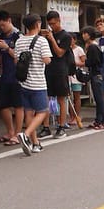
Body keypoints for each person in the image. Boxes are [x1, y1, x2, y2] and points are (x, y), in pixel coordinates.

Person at [15, 13, 53, 155]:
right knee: (43, 111)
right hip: (38, 83)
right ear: (38, 24)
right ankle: (26, 134)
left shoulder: (19, 41)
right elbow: (47, 59)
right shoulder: (41, 41)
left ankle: (35, 143)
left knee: (29, 112)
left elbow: (16, 61)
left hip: (24, 83)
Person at [0, 10, 24, 145]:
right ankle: (10, 131)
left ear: (9, 21)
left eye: (3, 25)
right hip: (5, 75)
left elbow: (20, 56)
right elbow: (0, 57)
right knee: (3, 105)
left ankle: (18, 134)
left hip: (17, 75)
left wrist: (7, 48)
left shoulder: (19, 36)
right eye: (0, 26)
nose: (2, 28)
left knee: (18, 105)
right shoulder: (1, 36)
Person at [41, 11, 73, 139]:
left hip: (61, 70)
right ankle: (46, 127)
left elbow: (60, 53)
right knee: (47, 98)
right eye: (49, 24)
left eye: (53, 24)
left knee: (61, 99)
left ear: (59, 21)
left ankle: (61, 126)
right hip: (48, 69)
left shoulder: (66, 36)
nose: (51, 27)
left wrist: (52, 39)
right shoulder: (48, 35)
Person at [82, 25, 104, 130]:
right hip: (97, 74)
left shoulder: (92, 47)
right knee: (98, 99)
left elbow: (94, 61)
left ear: (89, 35)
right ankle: (98, 120)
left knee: (100, 99)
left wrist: (86, 61)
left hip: (96, 75)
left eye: (85, 33)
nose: (83, 35)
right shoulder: (94, 45)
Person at [67, 33, 86, 128]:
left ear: (74, 40)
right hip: (67, 75)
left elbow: (84, 62)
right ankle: (71, 116)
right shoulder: (66, 49)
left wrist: (74, 63)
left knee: (77, 96)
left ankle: (77, 116)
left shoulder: (79, 49)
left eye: (71, 39)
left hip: (77, 76)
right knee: (69, 97)